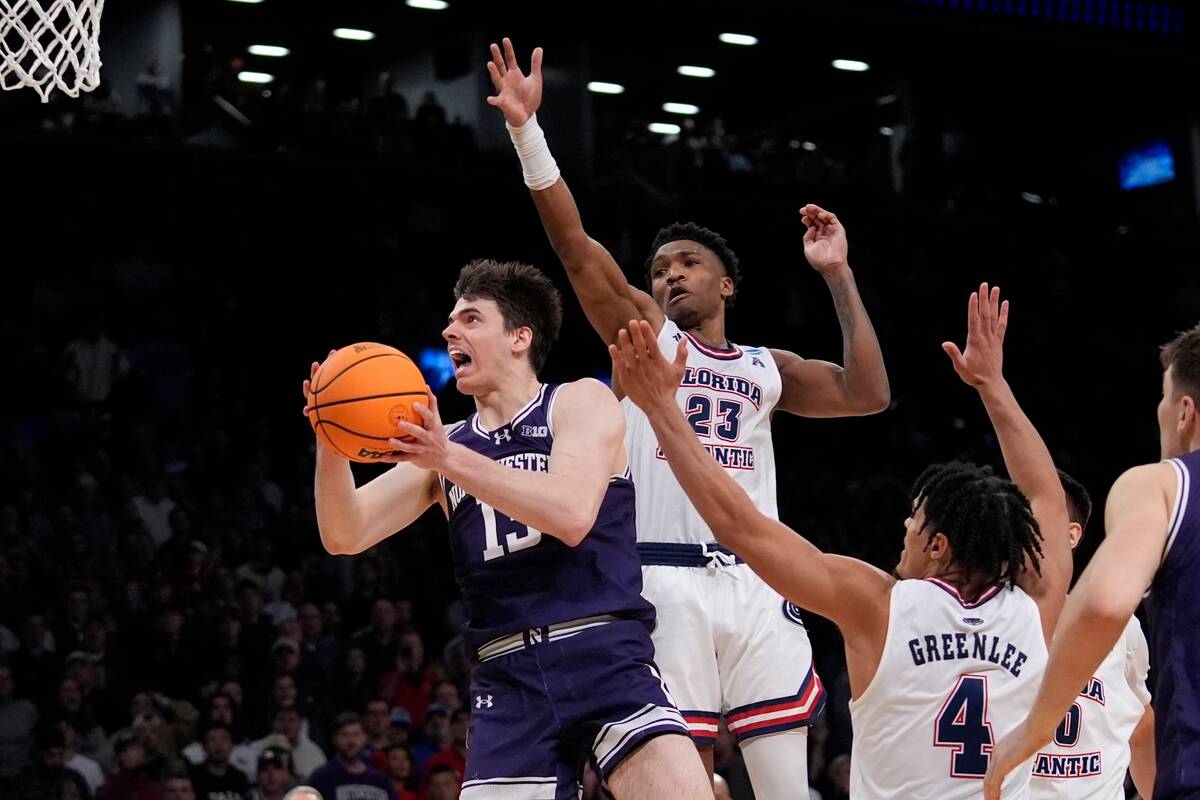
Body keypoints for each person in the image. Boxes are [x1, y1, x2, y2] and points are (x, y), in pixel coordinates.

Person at [486, 37, 890, 795]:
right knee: (682, 783)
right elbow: (575, 251)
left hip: (761, 579)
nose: (669, 275)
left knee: (787, 787)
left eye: (686, 264)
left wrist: (838, 275)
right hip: (663, 580)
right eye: (660, 269)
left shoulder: (769, 368)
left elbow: (867, 393)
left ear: (727, 283)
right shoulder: (646, 334)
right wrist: (527, 133)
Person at [609, 285, 1073, 798]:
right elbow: (1046, 497)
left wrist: (662, 410)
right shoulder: (1037, 608)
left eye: (914, 522)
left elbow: (738, 524)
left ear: (938, 546)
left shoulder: (878, 604)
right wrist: (993, 385)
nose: (904, 529)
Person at [307, 259, 709, 799]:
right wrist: (330, 441)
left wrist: (447, 458)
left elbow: (569, 515)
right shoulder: (443, 446)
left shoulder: (577, 402)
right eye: (450, 321)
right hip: (507, 677)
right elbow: (344, 533)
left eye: (471, 319)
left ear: (521, 337)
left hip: (604, 654)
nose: (451, 330)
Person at [985, 322, 1200, 798]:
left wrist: (1035, 730)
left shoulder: (1162, 486)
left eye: (1163, 397)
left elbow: (1104, 603)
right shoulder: (980, 606)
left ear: (1184, 411)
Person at [1028, 473, 1155, 799]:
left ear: (1071, 535)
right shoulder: (977, 618)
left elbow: (1140, 727)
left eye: (1032, 515)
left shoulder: (1118, 625)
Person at [305, 714, 395, 800]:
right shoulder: (321, 778)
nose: (351, 741)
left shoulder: (381, 782)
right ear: (335, 739)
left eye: (356, 735)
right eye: (345, 735)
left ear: (364, 738)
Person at [189, 722, 250, 800]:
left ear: (232, 745)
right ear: (204, 747)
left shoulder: (240, 779)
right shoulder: (193, 777)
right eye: (212, 739)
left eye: (224, 738)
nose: (219, 744)